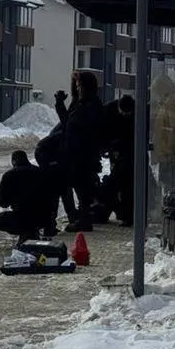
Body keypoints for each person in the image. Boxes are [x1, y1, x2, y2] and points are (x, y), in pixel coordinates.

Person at [59, 70, 106, 234]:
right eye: (76, 86)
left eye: (79, 86)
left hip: (83, 155)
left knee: (81, 189)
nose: (77, 89)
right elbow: (66, 122)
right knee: (72, 187)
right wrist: (60, 104)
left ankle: (82, 219)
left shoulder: (92, 105)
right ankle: (77, 217)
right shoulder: (78, 103)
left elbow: (84, 128)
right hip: (73, 153)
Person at [0, 150, 50, 241]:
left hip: (21, 217)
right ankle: (34, 230)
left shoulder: (9, 175)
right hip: (44, 218)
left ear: (13, 161)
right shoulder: (40, 171)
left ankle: (25, 231)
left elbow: (2, 201)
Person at [99, 94, 136, 226]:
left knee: (127, 184)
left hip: (131, 151)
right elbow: (102, 131)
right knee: (118, 180)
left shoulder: (138, 112)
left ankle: (127, 214)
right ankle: (123, 213)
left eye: (128, 113)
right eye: (123, 113)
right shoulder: (109, 111)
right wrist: (107, 148)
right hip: (116, 150)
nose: (125, 115)